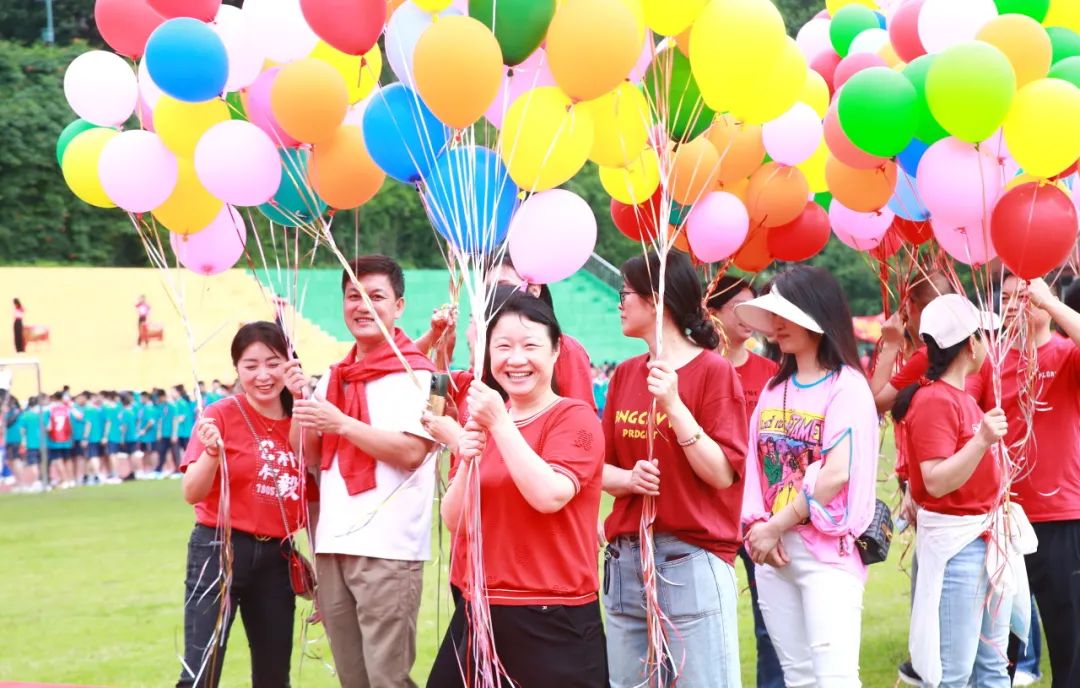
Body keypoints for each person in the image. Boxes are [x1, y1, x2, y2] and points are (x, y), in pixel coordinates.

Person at [427, 290, 608, 687]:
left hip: (553, 616)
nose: (516, 359)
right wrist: (468, 454)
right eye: (503, 346)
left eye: (531, 345)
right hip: (483, 608)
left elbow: (549, 495)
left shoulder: (574, 419)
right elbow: (455, 518)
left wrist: (500, 425)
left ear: (556, 350)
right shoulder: (487, 420)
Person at [601, 252, 748, 687]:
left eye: (625, 293)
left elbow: (722, 474)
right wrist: (628, 480)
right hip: (626, 562)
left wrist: (675, 407)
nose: (620, 303)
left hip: (690, 560)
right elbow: (598, 471)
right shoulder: (625, 375)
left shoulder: (713, 372)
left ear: (655, 300)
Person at [289, 255, 436, 688]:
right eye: (354, 296)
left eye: (376, 296)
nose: (363, 306)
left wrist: (343, 424)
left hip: (389, 549)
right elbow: (309, 454)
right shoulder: (337, 375)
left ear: (399, 306)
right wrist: (301, 398)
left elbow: (412, 451)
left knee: (387, 678)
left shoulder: (417, 374)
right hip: (335, 543)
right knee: (353, 679)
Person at [737, 265, 880, 688]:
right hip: (773, 553)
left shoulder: (847, 386)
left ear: (815, 315)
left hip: (826, 553)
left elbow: (835, 475)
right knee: (798, 678)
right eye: (773, 315)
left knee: (834, 678)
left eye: (786, 313)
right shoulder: (772, 389)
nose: (777, 325)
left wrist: (775, 526)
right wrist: (758, 529)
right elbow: (756, 469)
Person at [892, 294, 1030, 687]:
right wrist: (982, 440)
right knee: (954, 672)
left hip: (985, 540)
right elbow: (934, 480)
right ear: (972, 344)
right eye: (984, 336)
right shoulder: (936, 400)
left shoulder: (962, 399)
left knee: (992, 666)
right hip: (960, 548)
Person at [177, 322, 308, 688]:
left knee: (273, 673)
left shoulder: (306, 419)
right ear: (237, 369)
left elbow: (312, 493)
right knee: (202, 667)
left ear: (290, 364)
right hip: (219, 548)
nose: (263, 375)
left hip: (278, 557)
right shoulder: (220, 414)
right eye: (251, 366)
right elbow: (191, 491)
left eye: (273, 362)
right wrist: (214, 454)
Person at [967, 275, 1080, 688]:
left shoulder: (1066, 354)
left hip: (1062, 517)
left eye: (1025, 295)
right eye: (1008, 297)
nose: (1016, 304)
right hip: (1002, 522)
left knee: (1070, 643)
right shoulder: (988, 363)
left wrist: (1050, 304)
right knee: (999, 648)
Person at [705, 276, 783, 688]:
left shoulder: (770, 373)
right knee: (707, 620)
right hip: (710, 513)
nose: (749, 316)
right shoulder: (698, 369)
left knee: (771, 620)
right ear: (712, 311)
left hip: (760, 516)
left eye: (756, 307)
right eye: (739, 306)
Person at [418, 255, 597, 411]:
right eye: (487, 289)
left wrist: (459, 439)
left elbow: (583, 424)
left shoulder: (565, 349)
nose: (493, 297)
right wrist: (442, 352)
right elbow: (435, 407)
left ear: (534, 289)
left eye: (503, 286)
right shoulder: (476, 378)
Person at [45, 391, 75, 489]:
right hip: (66, 437)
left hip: (54, 438)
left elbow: (48, 426)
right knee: (68, 459)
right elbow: (72, 421)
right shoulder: (67, 408)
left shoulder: (49, 409)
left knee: (58, 460)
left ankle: (64, 480)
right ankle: (71, 480)